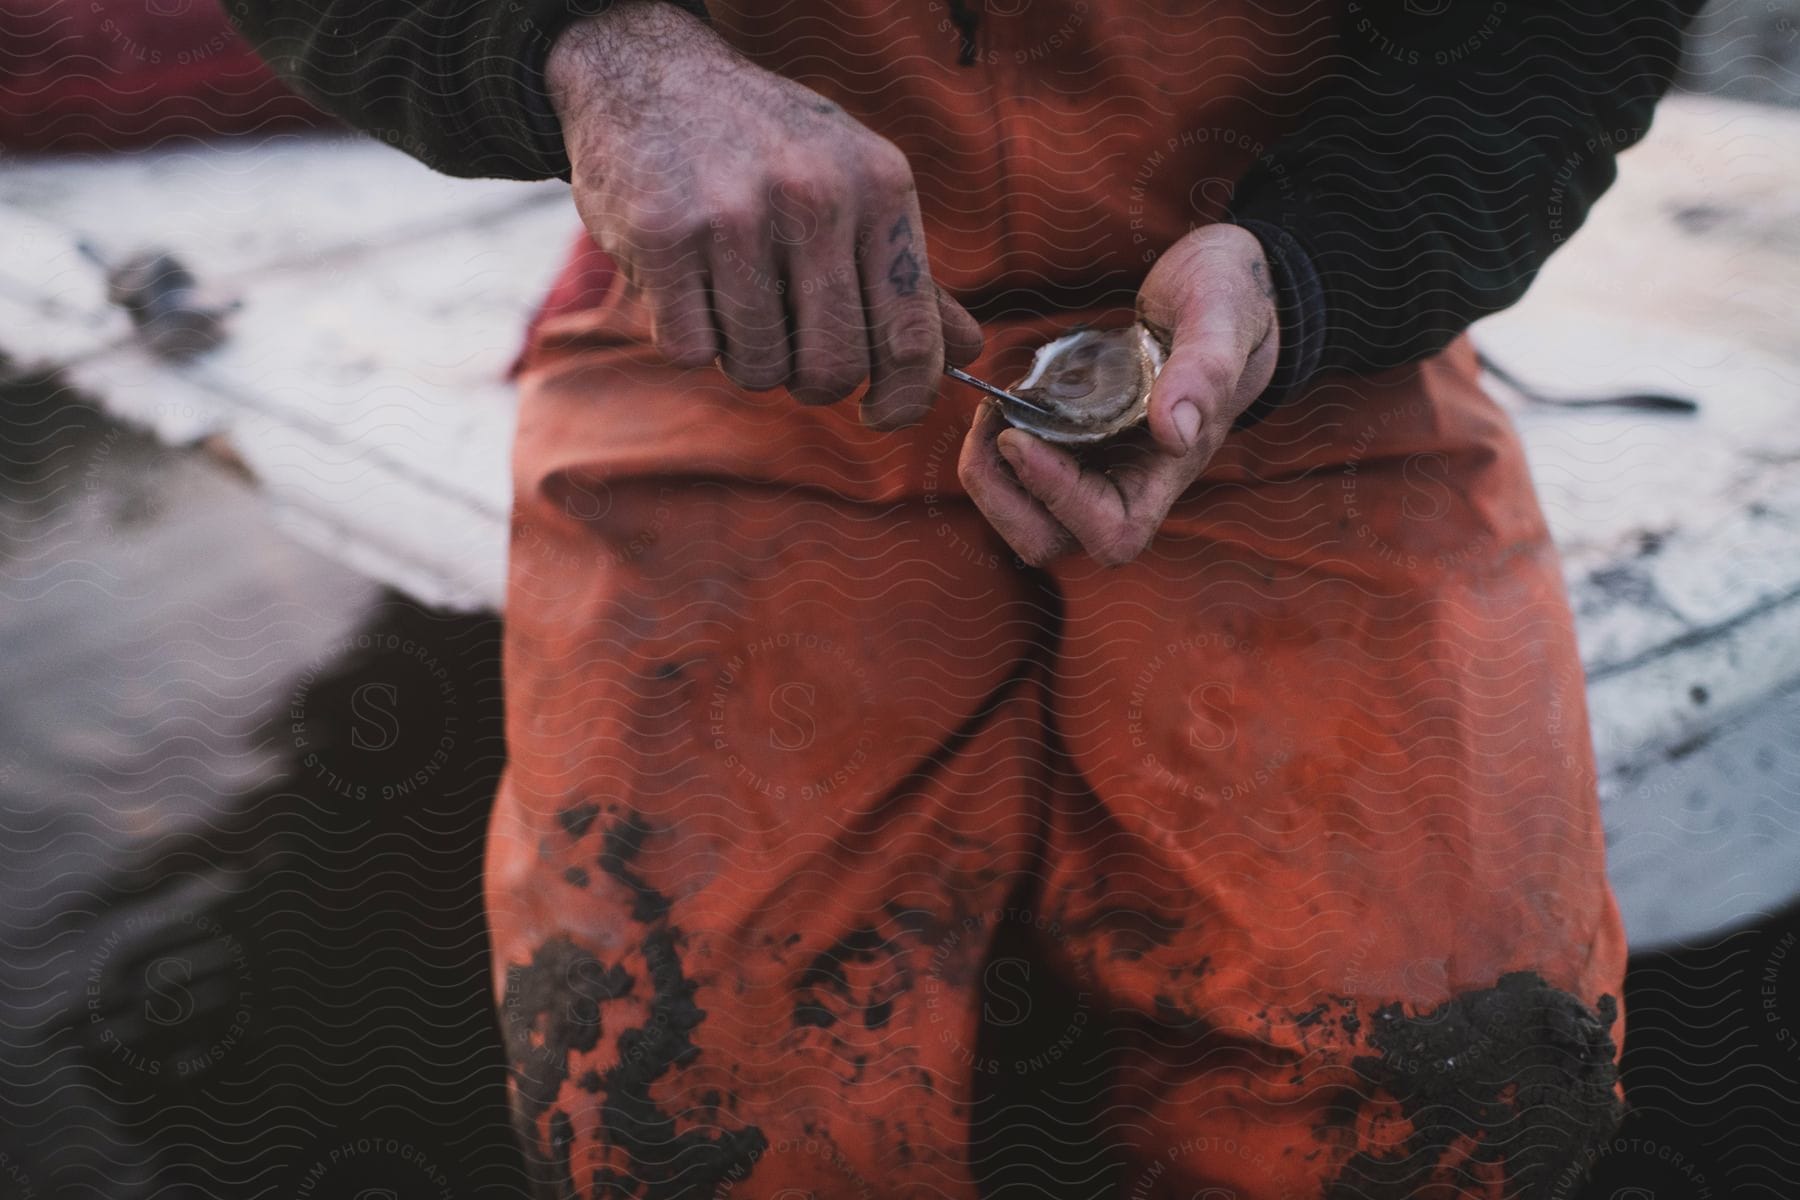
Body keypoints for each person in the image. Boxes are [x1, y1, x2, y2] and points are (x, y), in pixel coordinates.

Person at [224, 0, 1699, 1195]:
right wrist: (585, 50)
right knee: (676, 1095)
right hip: (747, 329)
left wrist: (1314, 280)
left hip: (1292, 338)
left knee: (1448, 1075)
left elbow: (1560, 39)